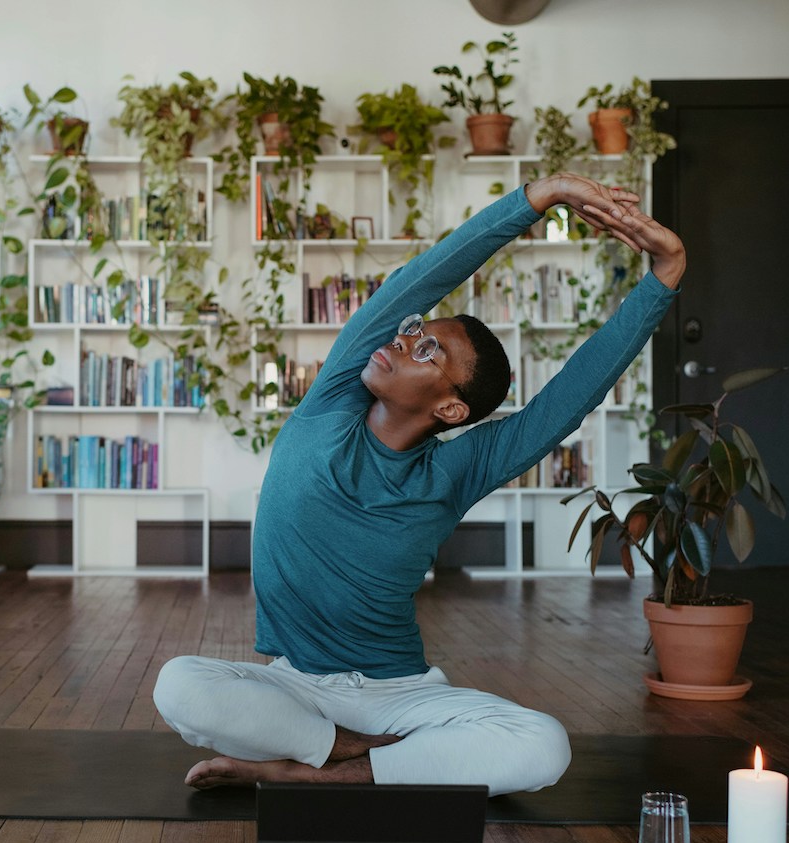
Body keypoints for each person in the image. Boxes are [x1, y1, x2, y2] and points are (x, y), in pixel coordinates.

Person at [153, 173, 685, 797]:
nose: (404, 341)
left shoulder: (455, 470)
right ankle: (359, 756)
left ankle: (317, 772)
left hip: (397, 696)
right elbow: (424, 276)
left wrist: (666, 273)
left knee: (543, 746)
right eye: (415, 330)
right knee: (179, 684)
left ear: (453, 410)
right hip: (292, 684)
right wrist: (541, 196)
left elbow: (566, 401)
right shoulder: (330, 404)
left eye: (428, 351)